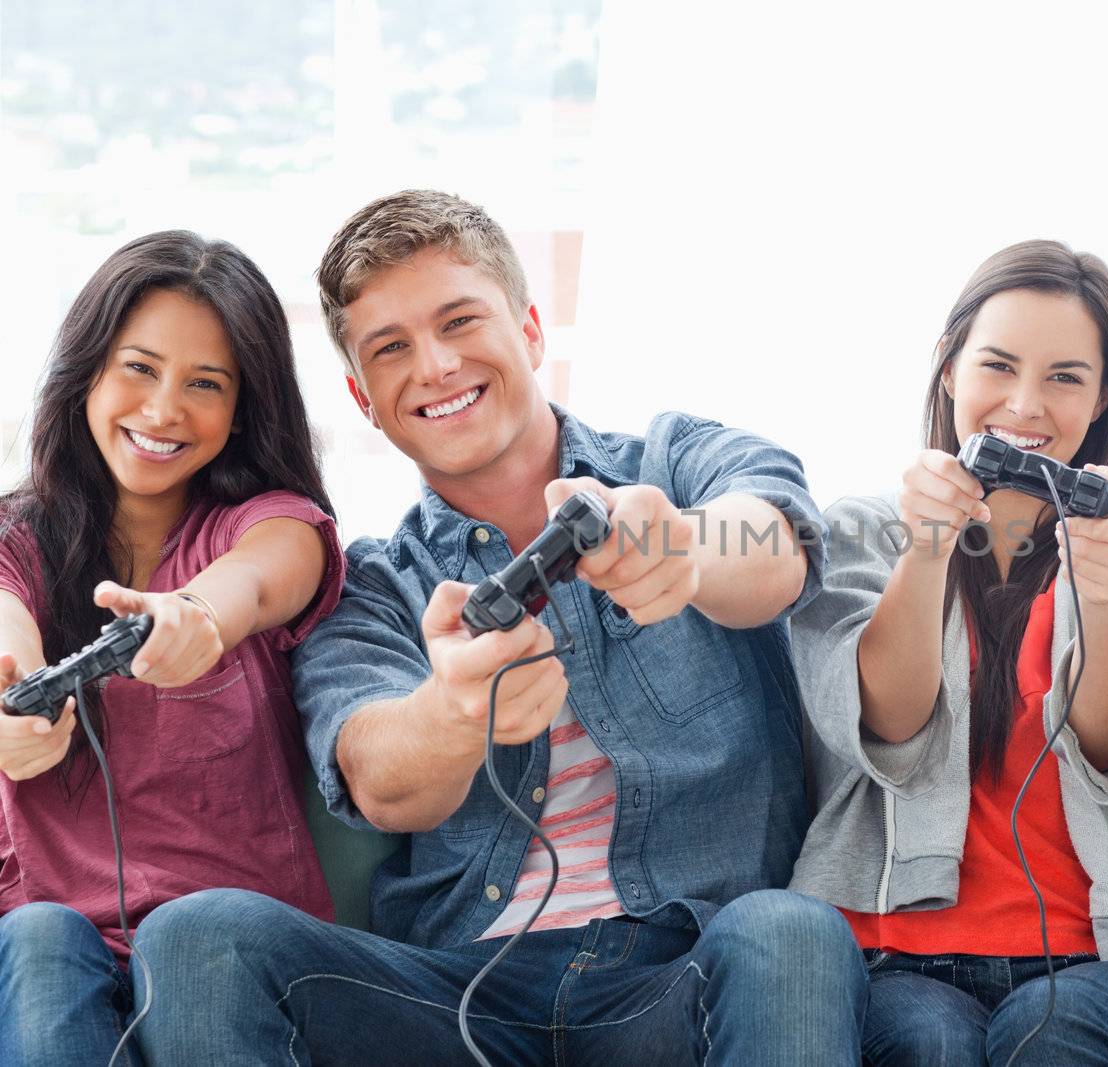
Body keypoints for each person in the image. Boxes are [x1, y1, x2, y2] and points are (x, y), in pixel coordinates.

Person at [132, 190, 867, 1065]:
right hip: (458, 996)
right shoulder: (368, 582)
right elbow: (376, 775)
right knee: (196, 937)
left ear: (528, 329)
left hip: (686, 973)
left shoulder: (679, 460)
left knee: (791, 933)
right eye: (391, 348)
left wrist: (686, 550)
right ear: (364, 397)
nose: (435, 365)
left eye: (459, 321)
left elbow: (776, 540)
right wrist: (451, 709)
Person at [789, 240, 1108, 1066]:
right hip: (896, 948)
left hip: (1103, 954)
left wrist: (1106, 597)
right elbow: (886, 726)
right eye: (998, 366)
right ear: (951, 371)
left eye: (1066, 377)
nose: (1027, 405)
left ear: (1103, 399)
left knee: (1049, 1031)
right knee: (930, 1042)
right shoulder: (858, 529)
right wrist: (923, 550)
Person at [0, 231, 344, 1065]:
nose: (162, 410)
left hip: (231, 963)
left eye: (205, 384)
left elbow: (260, 580)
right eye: (139, 368)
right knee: (42, 938)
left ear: (241, 410)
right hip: (44, 949)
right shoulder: (15, 541)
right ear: (88, 369)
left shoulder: (275, 523)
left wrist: (196, 616)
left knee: (196, 939)